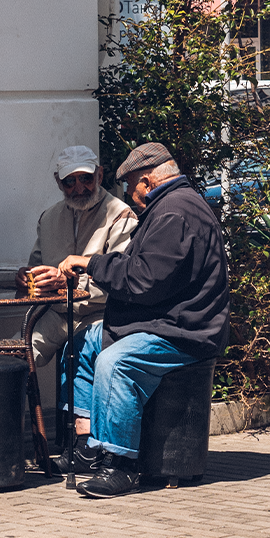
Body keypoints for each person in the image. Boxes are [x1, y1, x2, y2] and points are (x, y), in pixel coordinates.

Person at [58, 142, 230, 499]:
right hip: (162, 320)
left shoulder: (174, 212)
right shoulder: (171, 206)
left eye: (132, 187)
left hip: (184, 331)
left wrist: (91, 263)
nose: (130, 196)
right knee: (81, 343)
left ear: (148, 182)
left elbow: (142, 279)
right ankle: (89, 443)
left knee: (115, 363)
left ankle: (120, 464)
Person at [15, 144, 136, 380]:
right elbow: (36, 268)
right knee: (12, 356)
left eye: (85, 178)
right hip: (55, 315)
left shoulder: (120, 215)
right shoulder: (49, 217)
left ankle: (76, 417)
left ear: (99, 175)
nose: (79, 188)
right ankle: (20, 417)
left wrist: (68, 283)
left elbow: (122, 281)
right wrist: (26, 280)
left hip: (100, 315)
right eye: (70, 182)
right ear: (58, 183)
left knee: (77, 358)